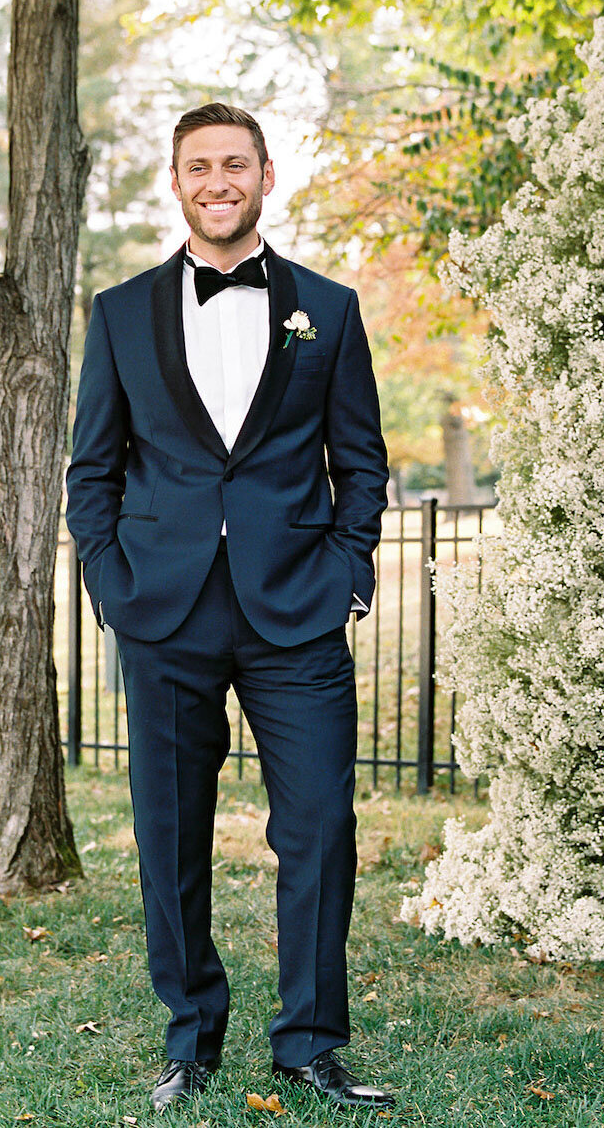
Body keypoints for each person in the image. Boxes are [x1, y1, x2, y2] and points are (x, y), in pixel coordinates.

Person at [65, 102, 393, 1113]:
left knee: (319, 829)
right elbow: (92, 469)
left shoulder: (326, 310)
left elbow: (362, 460)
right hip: (160, 613)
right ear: (175, 181)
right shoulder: (118, 312)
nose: (217, 180)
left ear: (264, 175)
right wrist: (111, 582)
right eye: (198, 165)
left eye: (234, 164)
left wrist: (346, 566)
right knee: (168, 836)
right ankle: (190, 1035)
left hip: (294, 610)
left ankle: (305, 1042)